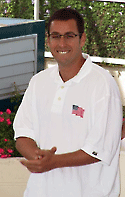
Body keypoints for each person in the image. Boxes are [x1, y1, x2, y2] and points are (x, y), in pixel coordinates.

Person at [13, 8, 123, 197]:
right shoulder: (39, 82)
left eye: (69, 36)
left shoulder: (102, 83)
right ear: (48, 40)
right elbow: (23, 133)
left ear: (82, 39)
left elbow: (100, 149)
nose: (62, 43)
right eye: (56, 36)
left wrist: (53, 162)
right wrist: (38, 158)